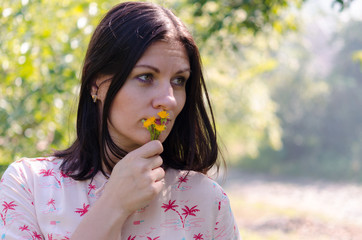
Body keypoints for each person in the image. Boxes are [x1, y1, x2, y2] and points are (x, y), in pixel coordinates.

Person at [0, 2, 241, 239]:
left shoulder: (206, 200)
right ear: (97, 84)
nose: (169, 100)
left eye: (179, 80)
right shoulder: (28, 185)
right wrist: (113, 204)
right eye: (146, 77)